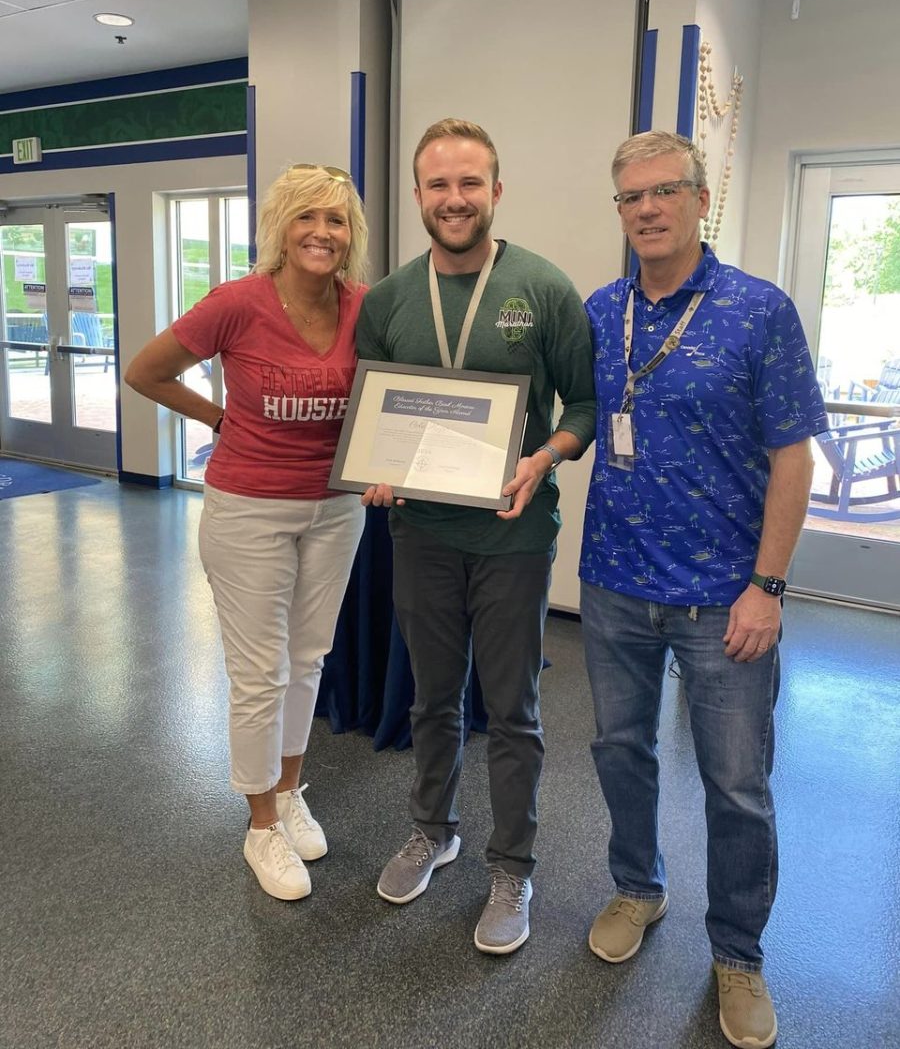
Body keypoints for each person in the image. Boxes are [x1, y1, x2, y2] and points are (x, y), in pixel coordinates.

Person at [579, 131, 828, 1048]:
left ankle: (738, 953)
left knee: (736, 785)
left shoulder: (759, 311)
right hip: (612, 584)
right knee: (619, 750)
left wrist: (768, 585)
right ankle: (638, 888)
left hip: (726, 597)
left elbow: (791, 458)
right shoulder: (602, 312)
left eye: (663, 191)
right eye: (630, 197)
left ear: (698, 196)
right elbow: (567, 417)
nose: (647, 208)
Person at [356, 117, 595, 954]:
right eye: (437, 185)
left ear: (496, 190)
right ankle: (434, 830)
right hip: (420, 533)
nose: (453, 200)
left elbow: (587, 406)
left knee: (513, 710)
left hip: (512, 537)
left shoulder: (544, 288)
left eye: (470, 183)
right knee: (430, 699)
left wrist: (546, 454)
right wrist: (375, 469)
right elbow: (371, 412)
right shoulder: (388, 300)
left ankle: (512, 866)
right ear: (418, 195)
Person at [125, 164, 369, 901]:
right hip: (248, 509)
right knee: (259, 672)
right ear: (281, 229)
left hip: (336, 506)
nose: (321, 233)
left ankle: (289, 790)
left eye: (335, 220)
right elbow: (147, 371)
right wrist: (218, 418)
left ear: (350, 234)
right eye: (306, 218)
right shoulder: (238, 302)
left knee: (308, 659)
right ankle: (259, 823)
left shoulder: (364, 306)